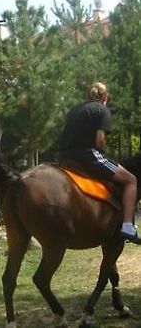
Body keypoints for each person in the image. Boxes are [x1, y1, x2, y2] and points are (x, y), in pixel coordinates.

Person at [58, 82, 141, 244]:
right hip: (87, 155)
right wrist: (102, 152)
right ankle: (127, 226)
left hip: (65, 156)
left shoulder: (75, 110)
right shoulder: (102, 110)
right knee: (131, 180)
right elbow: (100, 140)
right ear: (105, 97)